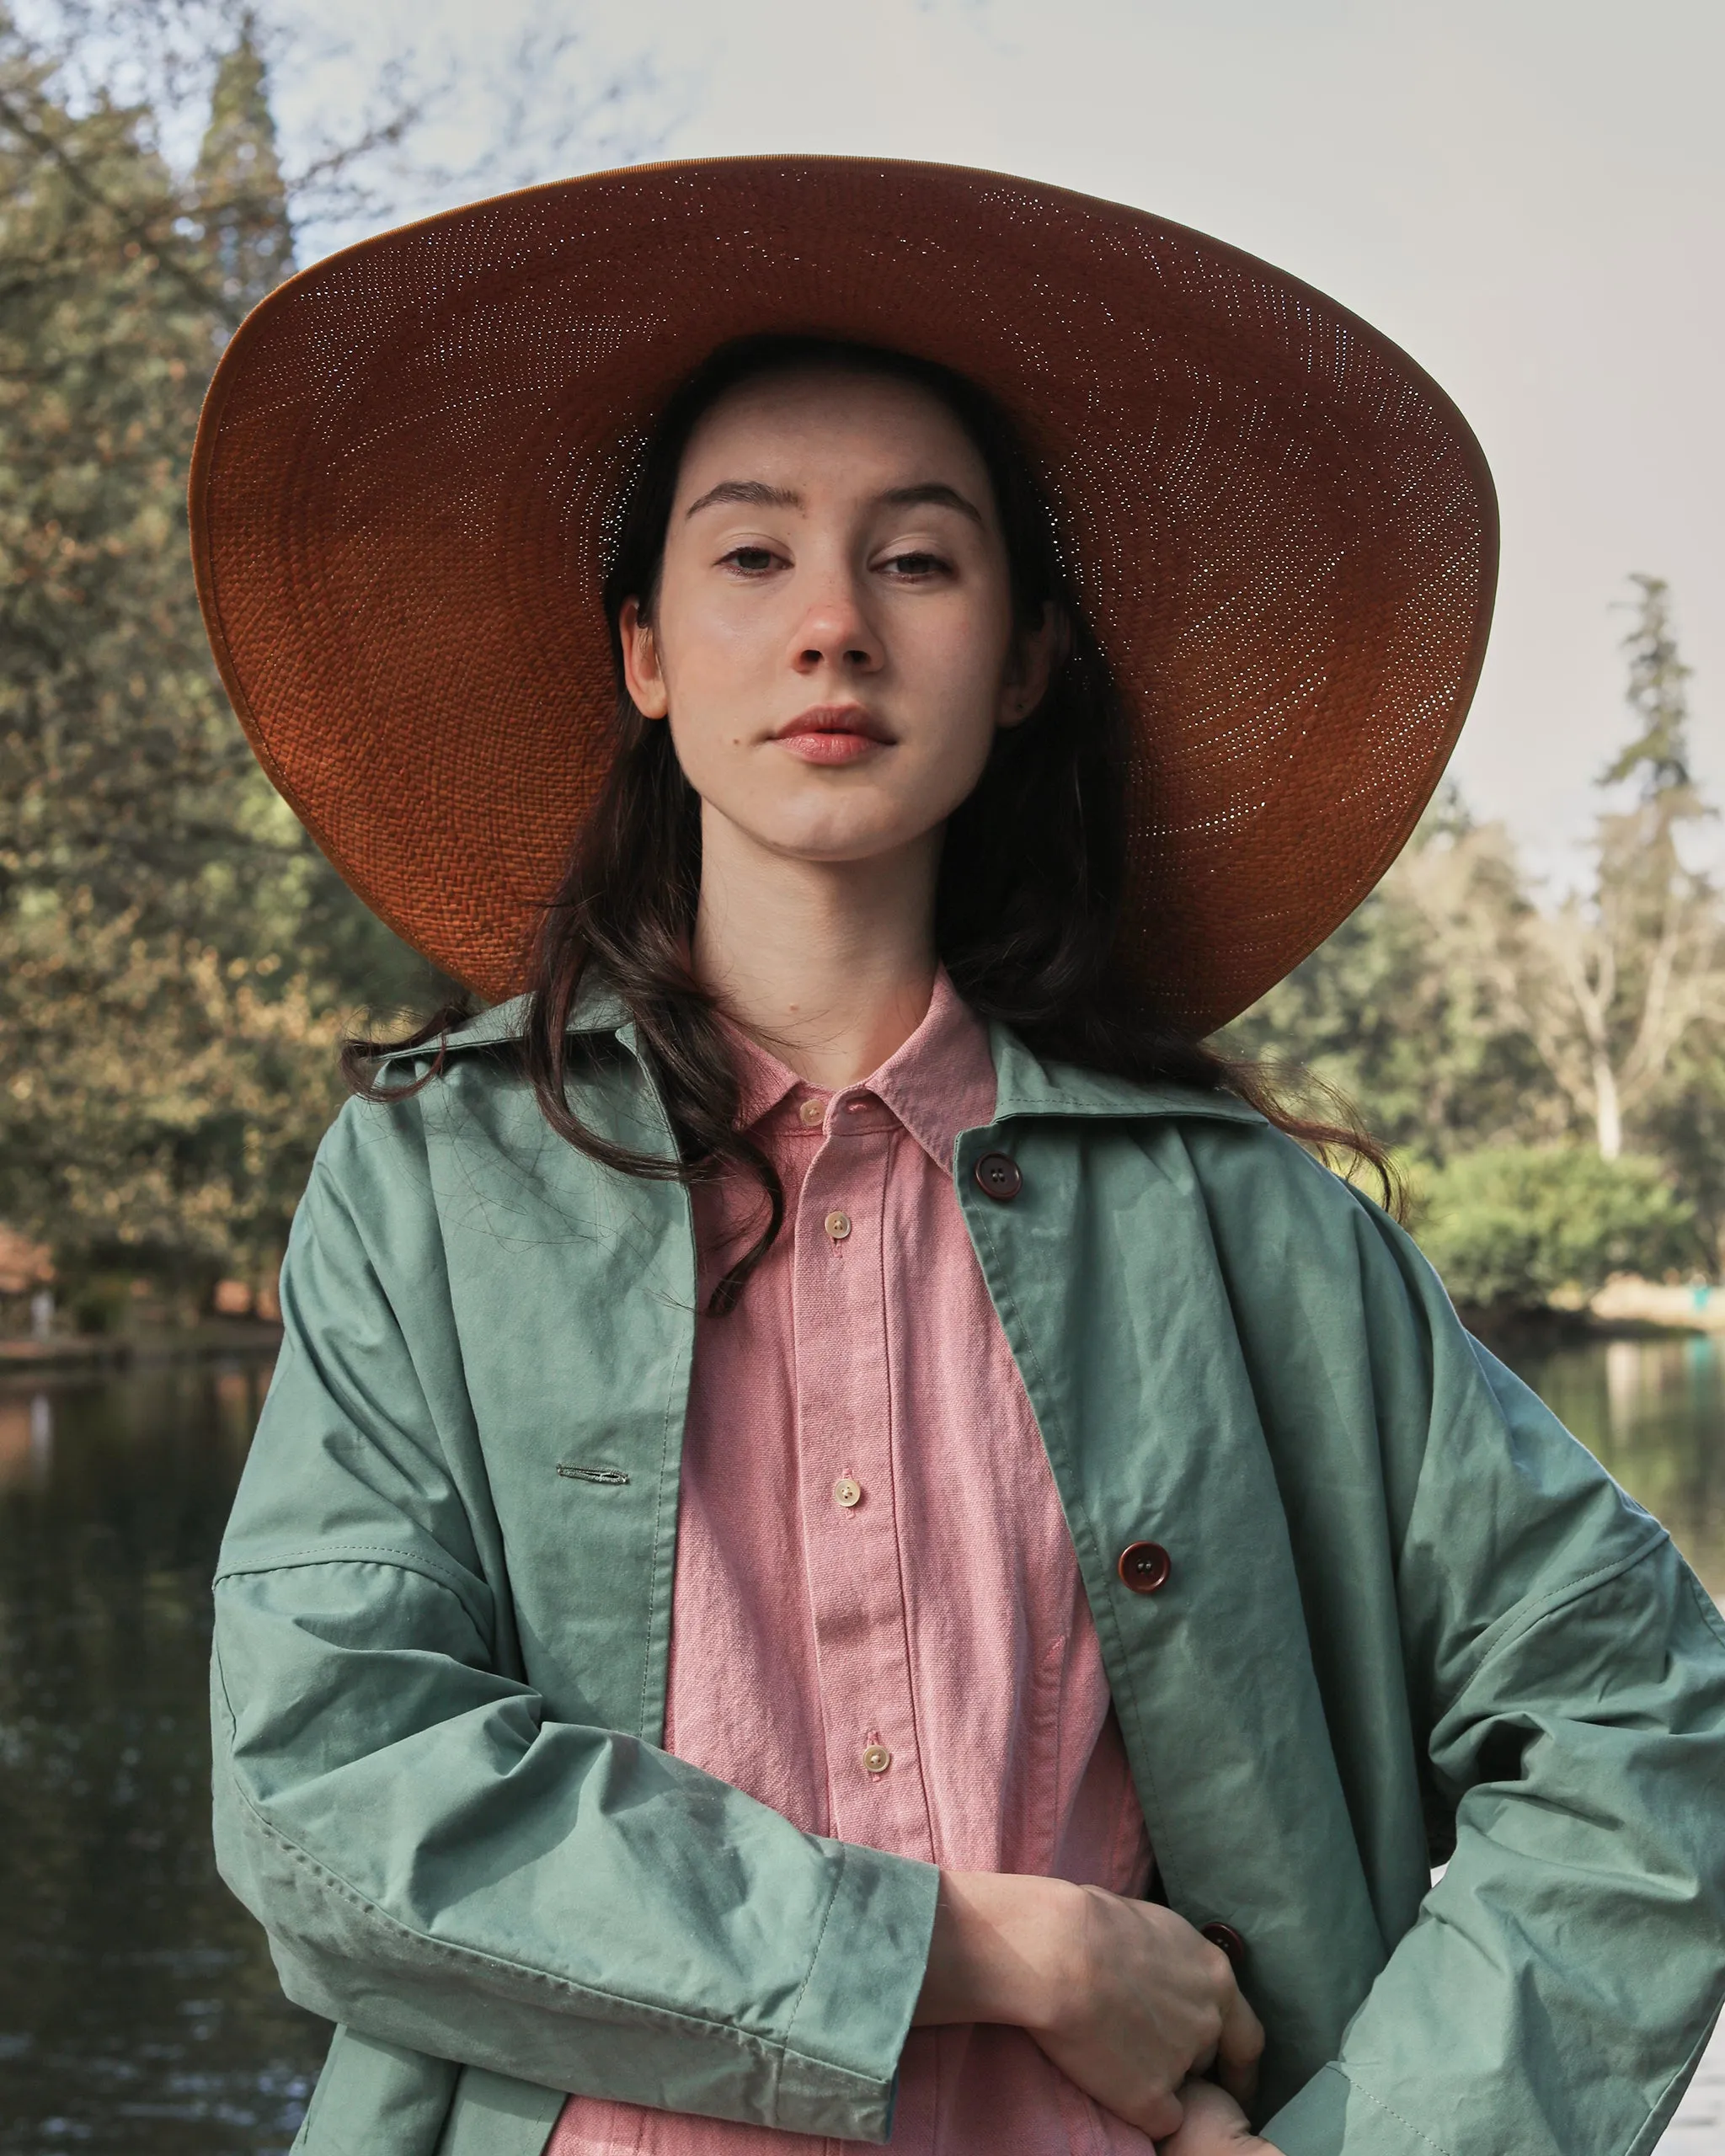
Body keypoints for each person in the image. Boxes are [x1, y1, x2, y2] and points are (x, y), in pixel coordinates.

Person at [191, 158, 1725, 2156]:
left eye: (916, 560)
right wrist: (966, 1947)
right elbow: (321, 1776)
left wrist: (1395, 2135)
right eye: (751, 559)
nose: (831, 623)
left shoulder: (1248, 1223)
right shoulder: (428, 1188)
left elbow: (1646, 1713)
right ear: (645, 651)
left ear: (1020, 661)